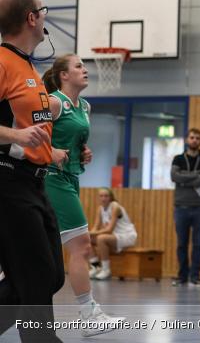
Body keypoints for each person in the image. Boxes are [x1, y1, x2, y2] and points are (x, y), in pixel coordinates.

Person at [0, 0, 66, 342]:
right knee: (37, 277)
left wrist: (47, 150)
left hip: (35, 183)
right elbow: (18, 133)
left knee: (51, 275)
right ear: (31, 18)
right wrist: (18, 139)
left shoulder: (27, 67)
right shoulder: (1, 62)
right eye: (42, 9)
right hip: (8, 185)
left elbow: (29, 124)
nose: (45, 16)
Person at [42, 55, 124, 335]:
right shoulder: (53, 102)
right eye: (78, 66)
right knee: (82, 247)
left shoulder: (85, 106)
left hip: (72, 177)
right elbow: (28, 135)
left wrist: (82, 152)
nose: (85, 69)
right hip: (52, 180)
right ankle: (89, 315)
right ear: (64, 75)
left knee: (45, 254)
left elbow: (74, 140)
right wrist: (49, 153)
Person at [171, 127, 200, 286]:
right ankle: (182, 276)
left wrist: (184, 180)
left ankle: (195, 277)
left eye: (197, 138)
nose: (194, 140)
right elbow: (174, 176)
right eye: (192, 137)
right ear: (187, 140)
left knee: (199, 243)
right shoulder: (178, 159)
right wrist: (196, 175)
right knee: (182, 243)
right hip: (181, 206)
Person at [88, 187, 138, 279]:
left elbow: (109, 229)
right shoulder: (100, 209)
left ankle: (106, 270)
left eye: (106, 196)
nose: (103, 198)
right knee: (88, 239)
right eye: (101, 196)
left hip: (127, 235)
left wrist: (91, 233)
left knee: (101, 238)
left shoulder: (115, 206)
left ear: (111, 197)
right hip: (115, 236)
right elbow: (96, 226)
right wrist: (89, 234)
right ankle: (96, 267)